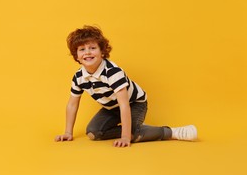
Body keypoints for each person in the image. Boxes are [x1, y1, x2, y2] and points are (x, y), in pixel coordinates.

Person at [55, 25, 197, 147]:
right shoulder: (79, 77)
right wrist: (68, 132)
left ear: (102, 52)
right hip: (112, 107)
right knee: (93, 133)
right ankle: (136, 129)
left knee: (131, 134)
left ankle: (171, 132)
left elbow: (124, 104)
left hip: (134, 103)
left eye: (92, 48)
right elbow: (72, 104)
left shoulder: (112, 72)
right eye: (82, 49)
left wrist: (125, 136)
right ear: (76, 56)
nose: (87, 52)